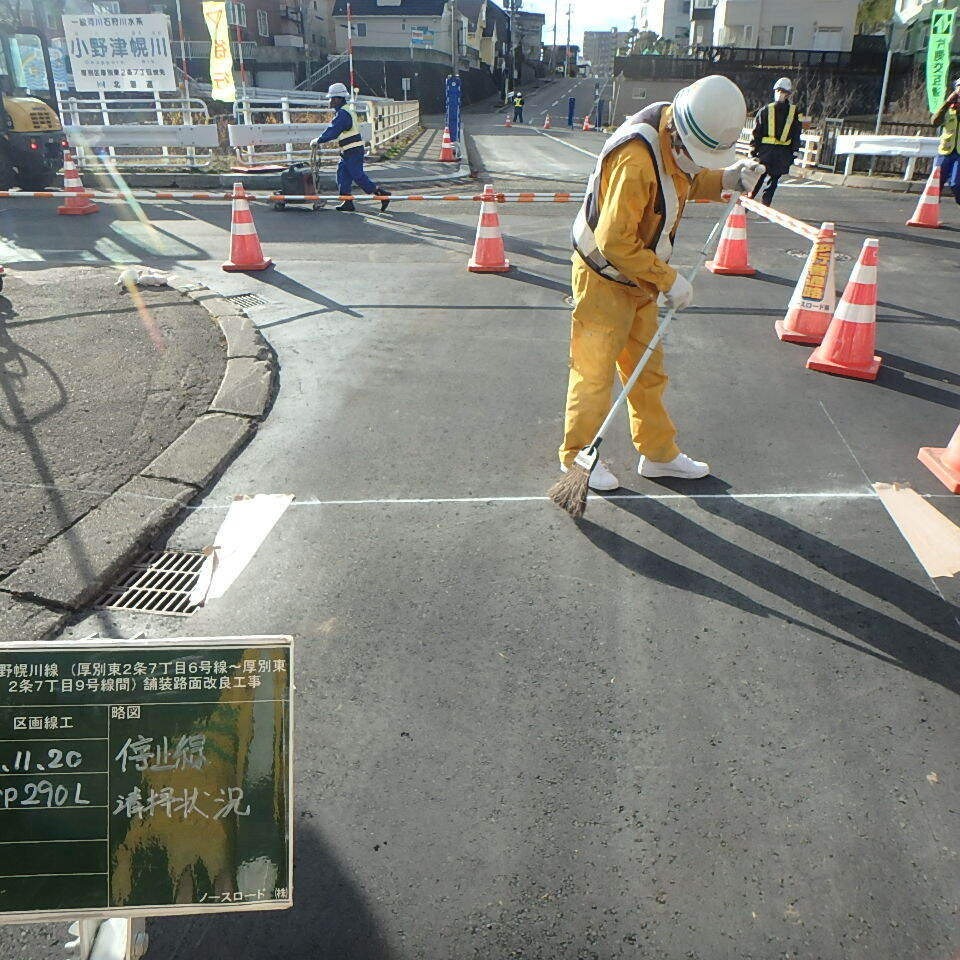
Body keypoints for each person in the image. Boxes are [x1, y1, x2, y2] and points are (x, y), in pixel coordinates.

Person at [559, 74, 764, 490]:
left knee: (646, 371)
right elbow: (615, 240)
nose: (700, 162)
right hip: (604, 276)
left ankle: (658, 454)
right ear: (681, 135)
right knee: (595, 372)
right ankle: (577, 455)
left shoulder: (677, 137)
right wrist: (668, 279)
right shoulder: (636, 160)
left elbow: (681, 181)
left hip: (640, 279)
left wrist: (727, 179)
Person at [311, 82, 391, 213]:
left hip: (353, 151)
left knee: (357, 175)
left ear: (337, 99)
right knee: (342, 175)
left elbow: (333, 130)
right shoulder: (346, 110)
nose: (330, 102)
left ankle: (381, 194)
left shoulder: (343, 114)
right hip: (347, 151)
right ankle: (347, 201)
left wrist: (319, 140)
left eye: (331, 99)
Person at [749, 77, 803, 207]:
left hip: (781, 153)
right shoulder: (765, 110)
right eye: (778, 90)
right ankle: (749, 203)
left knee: (773, 180)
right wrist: (753, 150)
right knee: (759, 178)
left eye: (783, 91)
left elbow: (796, 132)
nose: (780, 94)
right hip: (767, 151)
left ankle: (765, 204)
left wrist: (795, 150)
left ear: (788, 94)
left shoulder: (794, 112)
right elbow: (757, 132)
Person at [932, 77, 960, 209]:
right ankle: (930, 211)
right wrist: (948, 102)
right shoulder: (948, 109)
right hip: (945, 151)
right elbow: (935, 122)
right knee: (935, 185)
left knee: (956, 184)